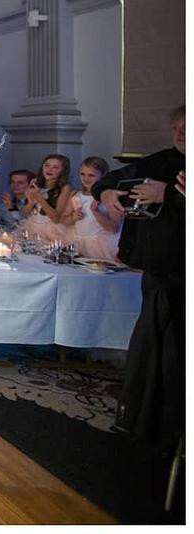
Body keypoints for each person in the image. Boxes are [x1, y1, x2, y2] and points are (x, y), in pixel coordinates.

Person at [95, 106, 184, 451]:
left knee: (176, 359)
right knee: (150, 352)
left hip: (182, 279)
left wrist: (170, 195)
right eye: (176, 126)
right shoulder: (159, 161)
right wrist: (105, 193)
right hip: (157, 274)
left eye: (186, 127)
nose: (180, 132)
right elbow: (112, 178)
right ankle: (143, 421)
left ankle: (172, 428)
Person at [60, 157, 121, 261]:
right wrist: (73, 217)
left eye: (91, 175)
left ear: (103, 176)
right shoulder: (75, 195)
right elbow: (63, 220)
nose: (86, 179)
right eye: (82, 174)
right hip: (79, 243)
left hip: (102, 246)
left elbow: (113, 228)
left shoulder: (109, 197)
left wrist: (95, 212)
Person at [23, 154, 74, 244]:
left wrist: (39, 197)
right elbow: (25, 212)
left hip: (52, 230)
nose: (49, 169)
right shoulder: (35, 182)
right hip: (33, 226)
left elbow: (56, 218)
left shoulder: (65, 188)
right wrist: (30, 202)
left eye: (56, 167)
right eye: (47, 165)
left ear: (63, 171)